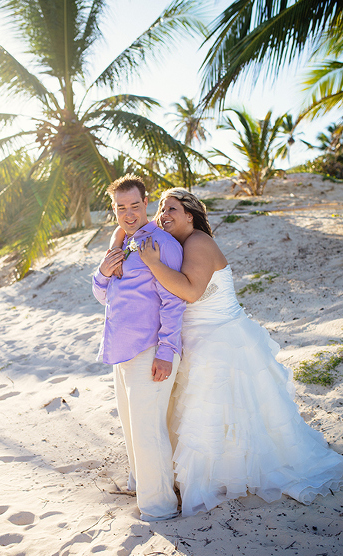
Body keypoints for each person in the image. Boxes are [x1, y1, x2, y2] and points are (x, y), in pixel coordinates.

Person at [125, 188, 343, 516]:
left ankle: (217, 479)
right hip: (195, 339)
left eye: (171, 208)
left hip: (220, 340)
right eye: (160, 209)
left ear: (190, 214)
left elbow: (192, 292)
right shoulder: (178, 244)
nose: (163, 214)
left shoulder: (198, 242)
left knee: (218, 414)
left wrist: (153, 263)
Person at [92, 174, 187, 521]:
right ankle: (141, 485)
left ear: (146, 203)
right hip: (122, 350)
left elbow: (173, 301)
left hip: (151, 349)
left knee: (148, 430)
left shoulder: (161, 244)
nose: (128, 213)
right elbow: (104, 296)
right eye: (121, 207)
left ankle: (159, 507)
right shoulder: (122, 244)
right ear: (114, 209)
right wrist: (102, 272)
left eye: (134, 205)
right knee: (133, 426)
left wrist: (165, 351)